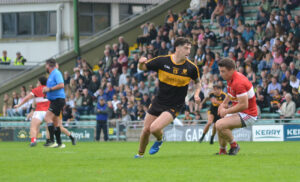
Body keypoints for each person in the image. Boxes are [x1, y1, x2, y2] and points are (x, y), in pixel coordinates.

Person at [134, 37, 201, 158]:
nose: (188, 51)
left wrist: (196, 94)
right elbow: (142, 68)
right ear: (177, 48)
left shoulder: (191, 68)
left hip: (175, 105)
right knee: (145, 130)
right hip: (159, 101)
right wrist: (140, 63)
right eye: (186, 48)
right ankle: (140, 155)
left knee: (154, 129)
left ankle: (160, 139)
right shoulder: (162, 61)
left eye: (189, 49)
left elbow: (198, 82)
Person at [216, 58, 257, 155]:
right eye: (220, 71)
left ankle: (234, 145)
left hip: (248, 114)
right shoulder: (230, 78)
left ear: (231, 70)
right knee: (219, 125)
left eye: (223, 71)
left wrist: (226, 111)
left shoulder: (238, 82)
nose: (221, 74)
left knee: (220, 124)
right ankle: (222, 151)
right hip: (240, 112)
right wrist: (223, 104)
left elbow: (244, 105)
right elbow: (231, 93)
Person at [14, 77, 49, 147]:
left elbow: (27, 98)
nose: (37, 83)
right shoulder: (50, 89)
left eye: (37, 82)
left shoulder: (36, 90)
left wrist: (19, 105)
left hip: (39, 111)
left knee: (33, 126)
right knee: (48, 127)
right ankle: (49, 141)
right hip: (48, 111)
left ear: (39, 82)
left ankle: (33, 141)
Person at [43, 58, 66, 148]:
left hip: (58, 100)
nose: (45, 67)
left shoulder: (56, 73)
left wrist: (49, 89)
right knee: (56, 122)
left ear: (49, 65)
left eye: (46, 65)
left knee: (47, 117)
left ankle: (52, 141)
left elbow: (61, 85)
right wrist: (46, 91)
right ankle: (60, 143)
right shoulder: (51, 75)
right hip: (54, 100)